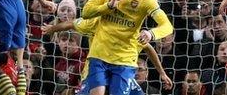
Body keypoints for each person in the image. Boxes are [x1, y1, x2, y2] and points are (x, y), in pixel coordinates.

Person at [80, 0, 174, 95]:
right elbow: (85, 12)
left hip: (124, 59)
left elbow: (167, 26)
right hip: (99, 54)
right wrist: (108, 6)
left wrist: (151, 33)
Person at [40, 16, 174, 94]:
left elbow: (149, 48)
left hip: (120, 74)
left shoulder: (130, 33)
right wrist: (52, 28)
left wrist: (161, 72)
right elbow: (71, 23)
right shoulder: (96, 23)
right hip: (94, 73)